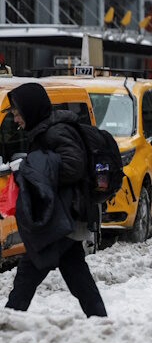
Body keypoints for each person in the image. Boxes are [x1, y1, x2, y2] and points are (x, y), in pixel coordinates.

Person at [4, 83, 107, 317]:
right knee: (75, 272)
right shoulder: (45, 130)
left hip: (63, 216)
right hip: (64, 216)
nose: (16, 119)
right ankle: (100, 320)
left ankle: (9, 320)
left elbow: (73, 166)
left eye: (18, 114)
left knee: (29, 270)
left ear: (30, 110)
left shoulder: (55, 132)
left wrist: (34, 168)